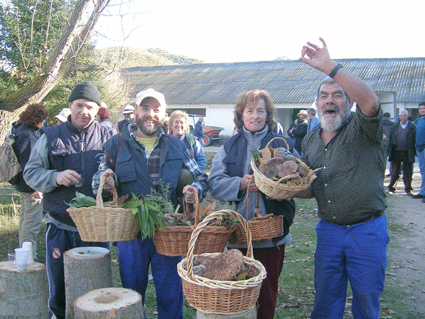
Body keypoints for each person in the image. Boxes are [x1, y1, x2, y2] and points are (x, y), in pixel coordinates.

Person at [92, 88, 208, 319]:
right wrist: (105, 181)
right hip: (131, 232)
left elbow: (201, 177)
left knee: (171, 294)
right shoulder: (115, 144)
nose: (150, 114)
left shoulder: (177, 146)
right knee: (132, 295)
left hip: (169, 231)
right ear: (135, 112)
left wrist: (194, 190)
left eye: (156, 109)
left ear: (164, 115)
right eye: (145, 108)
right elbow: (98, 177)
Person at [297, 38, 389, 318]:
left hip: (367, 231)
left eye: (337, 95)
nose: (330, 100)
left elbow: (371, 101)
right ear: (316, 104)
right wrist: (280, 189)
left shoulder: (363, 128)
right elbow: (309, 188)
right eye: (324, 96)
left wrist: (329, 67)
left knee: (366, 300)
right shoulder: (311, 140)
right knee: (326, 299)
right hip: (330, 232)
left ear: (349, 102)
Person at [23, 81, 116, 319]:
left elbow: (123, 172)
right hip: (59, 225)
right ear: (70, 107)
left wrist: (113, 179)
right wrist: (55, 177)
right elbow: (31, 173)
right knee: (59, 285)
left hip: (97, 229)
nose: (84, 111)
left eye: (90, 106)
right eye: (79, 105)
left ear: (97, 110)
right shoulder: (50, 136)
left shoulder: (110, 135)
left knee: (96, 286)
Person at [208, 89, 297, 319]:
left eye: (260, 111)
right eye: (249, 111)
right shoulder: (230, 146)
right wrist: (240, 182)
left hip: (272, 235)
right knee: (238, 293)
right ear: (241, 115)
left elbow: (297, 180)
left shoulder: (283, 144)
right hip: (238, 234)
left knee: (267, 295)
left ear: (268, 115)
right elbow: (214, 183)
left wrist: (271, 184)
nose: (255, 116)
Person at [14, 103, 49, 261]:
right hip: (30, 188)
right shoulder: (28, 135)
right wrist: (35, 187)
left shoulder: (22, 130)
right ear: (38, 118)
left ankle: (27, 253)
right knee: (31, 223)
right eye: (44, 119)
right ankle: (29, 257)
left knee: (26, 221)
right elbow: (28, 165)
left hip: (25, 186)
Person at [387, 109, 416, 196]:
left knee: (408, 172)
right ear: (399, 117)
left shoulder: (412, 126)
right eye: (401, 116)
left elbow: (415, 139)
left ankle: (408, 189)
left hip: (408, 151)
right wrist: (389, 149)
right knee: (395, 171)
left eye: (405, 115)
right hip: (396, 151)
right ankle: (391, 188)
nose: (403, 117)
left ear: (407, 117)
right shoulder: (395, 126)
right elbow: (390, 138)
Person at [413, 102, 425, 201]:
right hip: (420, 148)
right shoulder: (419, 120)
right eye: (420, 108)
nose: (422, 110)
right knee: (422, 171)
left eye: (423, 108)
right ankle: (422, 191)